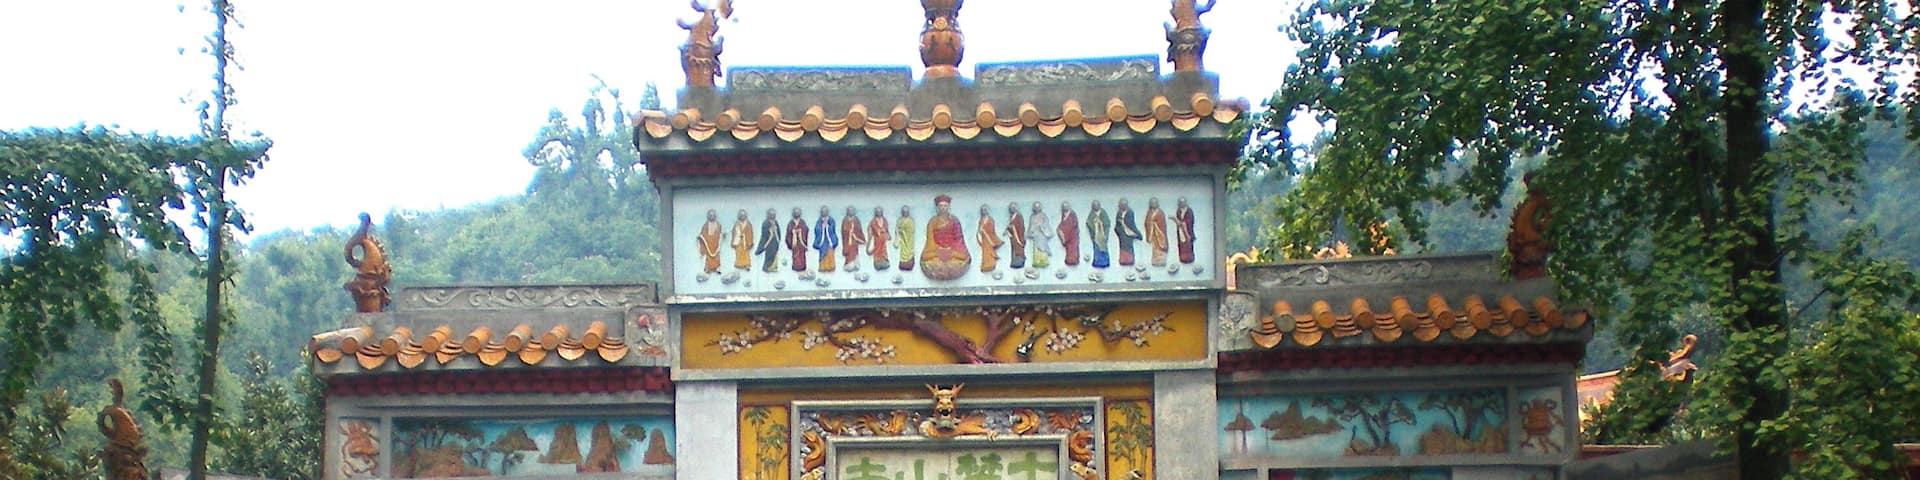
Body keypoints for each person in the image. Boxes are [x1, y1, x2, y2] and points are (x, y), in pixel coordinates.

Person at [919, 194, 971, 280]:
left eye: (945, 206)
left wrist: (951, 251)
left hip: (952, 250)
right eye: (941, 206)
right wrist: (938, 251)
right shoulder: (933, 222)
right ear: (937, 208)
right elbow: (930, 240)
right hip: (936, 249)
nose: (943, 208)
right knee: (928, 260)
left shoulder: (954, 221)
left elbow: (958, 240)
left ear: (949, 207)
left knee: (962, 259)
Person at [1114, 198, 1141, 266]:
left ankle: (1130, 260)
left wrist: (1123, 222)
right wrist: (1119, 227)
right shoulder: (1119, 213)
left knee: (1129, 246)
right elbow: (1117, 224)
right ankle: (1123, 260)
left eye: (1124, 205)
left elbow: (1131, 223)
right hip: (1122, 232)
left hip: (1129, 231)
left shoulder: (1130, 212)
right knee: (1123, 246)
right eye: (1121, 205)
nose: (1122, 206)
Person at [977, 204, 1004, 272]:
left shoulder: (990, 219)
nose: (984, 211)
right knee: (985, 252)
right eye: (983, 210)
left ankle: (991, 264)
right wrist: (980, 232)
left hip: (989, 237)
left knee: (989, 251)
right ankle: (985, 265)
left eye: (985, 209)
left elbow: (992, 230)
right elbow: (979, 229)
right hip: (984, 238)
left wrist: (985, 231)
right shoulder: (981, 220)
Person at [813, 206, 839, 272]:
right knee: (823, 253)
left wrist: (828, 227)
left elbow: (833, 229)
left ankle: (831, 266)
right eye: (822, 212)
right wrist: (822, 227)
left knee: (830, 253)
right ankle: (823, 267)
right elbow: (817, 230)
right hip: (822, 241)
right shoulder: (819, 221)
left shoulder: (831, 220)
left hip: (830, 240)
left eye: (825, 211)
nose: (824, 213)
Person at [697, 209, 723, 273]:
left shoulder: (718, 225)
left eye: (713, 215)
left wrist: (722, 236)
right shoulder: (705, 225)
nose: (712, 217)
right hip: (708, 242)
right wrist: (700, 237)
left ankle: (717, 268)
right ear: (708, 216)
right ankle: (708, 268)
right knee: (708, 257)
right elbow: (703, 234)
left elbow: (720, 233)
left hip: (715, 242)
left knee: (716, 256)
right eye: (710, 215)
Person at [1087, 200, 1112, 268]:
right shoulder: (1092, 214)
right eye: (1094, 206)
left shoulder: (1103, 212)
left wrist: (1101, 223)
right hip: (1096, 234)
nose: (1096, 207)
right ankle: (1097, 262)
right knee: (1097, 248)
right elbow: (1088, 222)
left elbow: (1107, 222)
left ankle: (1105, 262)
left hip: (1103, 234)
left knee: (1104, 248)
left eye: (1097, 205)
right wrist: (1095, 224)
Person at [1145, 198, 1169, 266]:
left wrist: (1155, 224)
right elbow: (1146, 223)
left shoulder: (1160, 212)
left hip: (1160, 233)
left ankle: (1162, 261)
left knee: (1161, 246)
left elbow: (1163, 224)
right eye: (1152, 203)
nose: (1153, 204)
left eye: (1155, 203)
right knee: (1155, 248)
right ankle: (1156, 261)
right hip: (1153, 234)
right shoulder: (1149, 213)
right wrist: (1151, 224)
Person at [1027, 202, 1051, 268]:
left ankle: (1044, 261)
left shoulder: (1043, 216)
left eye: (1038, 207)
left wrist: (1041, 226)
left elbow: (1046, 224)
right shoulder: (1032, 216)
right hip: (1036, 234)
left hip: (1042, 234)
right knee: (1036, 248)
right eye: (1035, 207)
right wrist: (1032, 230)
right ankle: (1037, 262)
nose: (1036, 208)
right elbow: (1031, 226)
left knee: (1042, 248)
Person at [868, 206, 892, 271]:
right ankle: (877, 262)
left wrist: (888, 235)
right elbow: (874, 231)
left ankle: (884, 260)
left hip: (883, 241)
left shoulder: (884, 220)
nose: (879, 213)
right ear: (875, 213)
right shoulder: (873, 221)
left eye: (880, 212)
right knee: (877, 250)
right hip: (877, 241)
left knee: (884, 250)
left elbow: (886, 230)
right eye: (878, 212)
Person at [1057, 201, 1080, 266]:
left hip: (1072, 235)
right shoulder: (1064, 214)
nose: (1065, 208)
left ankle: (1074, 260)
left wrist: (1062, 229)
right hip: (1068, 236)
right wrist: (1060, 229)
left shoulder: (1072, 215)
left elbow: (1072, 225)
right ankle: (1069, 260)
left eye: (1066, 207)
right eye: (1063, 207)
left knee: (1073, 248)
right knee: (1069, 249)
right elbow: (1063, 223)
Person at [1004, 202, 1027, 270]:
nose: (1012, 209)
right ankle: (1014, 262)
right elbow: (1011, 225)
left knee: (1019, 249)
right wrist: (1008, 229)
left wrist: (1013, 227)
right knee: (1014, 249)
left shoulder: (1019, 216)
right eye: (1011, 208)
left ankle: (1020, 262)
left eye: (1014, 208)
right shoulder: (1012, 217)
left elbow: (1021, 227)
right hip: (1013, 236)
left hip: (1018, 236)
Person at [1175, 197, 1197, 264]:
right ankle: (1182, 257)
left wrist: (1184, 223)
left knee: (1188, 245)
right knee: (1182, 245)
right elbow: (1178, 219)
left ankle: (1189, 258)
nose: (1182, 204)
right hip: (1181, 231)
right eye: (1180, 203)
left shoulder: (1189, 211)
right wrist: (1179, 224)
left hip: (1188, 230)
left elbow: (1190, 220)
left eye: (1183, 202)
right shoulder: (1178, 211)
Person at [897, 205, 917, 272]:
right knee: (903, 251)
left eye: (906, 212)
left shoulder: (910, 220)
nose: (905, 213)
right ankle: (903, 263)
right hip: (902, 240)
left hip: (909, 239)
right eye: (904, 212)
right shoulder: (900, 220)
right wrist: (899, 233)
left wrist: (903, 232)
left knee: (909, 250)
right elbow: (897, 229)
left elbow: (912, 230)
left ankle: (909, 263)